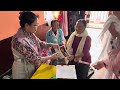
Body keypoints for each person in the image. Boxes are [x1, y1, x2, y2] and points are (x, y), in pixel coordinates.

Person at [11, 11, 60, 79]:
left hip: (30, 66)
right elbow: (35, 59)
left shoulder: (30, 33)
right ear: (27, 25)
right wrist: (51, 57)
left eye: (37, 24)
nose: (37, 27)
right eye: (35, 25)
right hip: (23, 70)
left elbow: (40, 43)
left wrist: (51, 44)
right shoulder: (19, 41)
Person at [92, 11, 120, 79]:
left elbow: (115, 65)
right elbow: (113, 51)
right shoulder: (116, 39)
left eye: (110, 29)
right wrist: (103, 63)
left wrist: (103, 63)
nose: (109, 31)